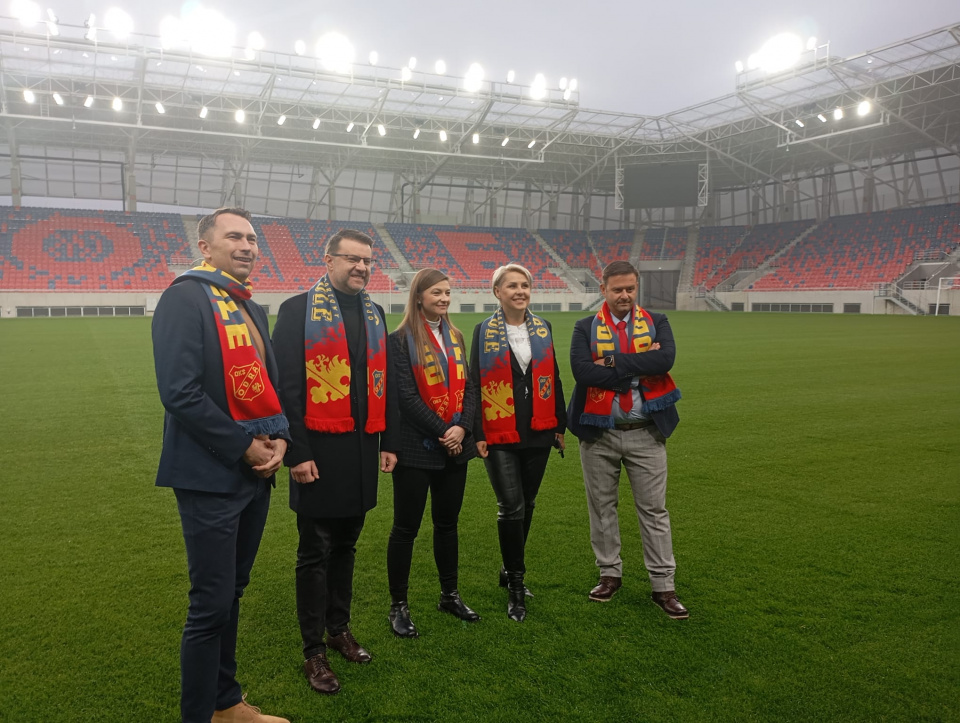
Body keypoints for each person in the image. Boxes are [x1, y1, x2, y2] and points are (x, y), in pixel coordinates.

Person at [152, 207, 291, 723]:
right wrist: (243, 446)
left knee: (232, 593)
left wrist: (280, 440)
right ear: (205, 246)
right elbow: (179, 393)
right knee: (210, 604)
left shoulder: (249, 306)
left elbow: (269, 389)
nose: (247, 245)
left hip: (255, 471)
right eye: (234, 236)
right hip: (210, 474)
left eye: (253, 238)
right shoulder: (184, 297)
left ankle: (226, 703)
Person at [271, 229, 399, 695]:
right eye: (352, 259)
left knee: (346, 546)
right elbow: (285, 389)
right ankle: (314, 652)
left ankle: (339, 628)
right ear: (328, 261)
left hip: (363, 452)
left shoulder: (376, 313)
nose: (362, 267)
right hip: (318, 454)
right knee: (315, 553)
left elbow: (383, 383)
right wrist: (298, 453)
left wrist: (389, 442)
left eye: (368, 260)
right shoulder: (296, 310)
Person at [567, 260, 688, 619]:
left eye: (630, 289)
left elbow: (665, 358)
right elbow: (581, 371)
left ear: (637, 289)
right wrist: (637, 361)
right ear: (602, 289)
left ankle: (663, 586)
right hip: (598, 432)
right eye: (617, 289)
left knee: (654, 510)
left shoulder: (657, 322)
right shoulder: (585, 327)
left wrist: (611, 362)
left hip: (646, 433)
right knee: (602, 508)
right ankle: (609, 575)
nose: (624, 295)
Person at [385, 268, 481, 638]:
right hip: (416, 449)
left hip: (454, 450)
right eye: (436, 293)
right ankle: (399, 605)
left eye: (447, 293)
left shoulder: (455, 334)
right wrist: (445, 431)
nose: (443, 299)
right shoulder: (400, 340)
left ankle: (449, 595)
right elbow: (406, 398)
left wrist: (462, 429)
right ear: (419, 296)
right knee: (405, 529)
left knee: (447, 525)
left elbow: (470, 388)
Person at [470, 264, 566, 622]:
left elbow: (553, 375)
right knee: (510, 505)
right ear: (498, 291)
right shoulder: (484, 331)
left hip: (539, 429)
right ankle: (516, 586)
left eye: (525, 285)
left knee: (528, 502)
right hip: (499, 430)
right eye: (512, 285)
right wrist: (478, 431)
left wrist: (559, 423)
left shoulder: (544, 327)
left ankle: (508, 570)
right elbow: (476, 384)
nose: (520, 291)